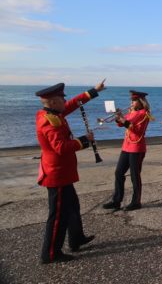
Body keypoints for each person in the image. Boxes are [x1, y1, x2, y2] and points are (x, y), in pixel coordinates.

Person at [36, 80, 105, 264]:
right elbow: (60, 147)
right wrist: (85, 140)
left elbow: (74, 103)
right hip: (56, 174)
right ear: (53, 102)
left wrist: (93, 91)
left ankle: (76, 238)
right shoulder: (49, 121)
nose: (64, 101)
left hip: (63, 172)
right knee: (58, 215)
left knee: (72, 206)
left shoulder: (53, 113)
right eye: (61, 99)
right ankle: (50, 253)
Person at [103, 90, 153, 211]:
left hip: (137, 147)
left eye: (134, 100)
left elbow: (137, 130)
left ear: (141, 101)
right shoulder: (132, 112)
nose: (131, 103)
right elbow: (121, 124)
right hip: (126, 146)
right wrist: (118, 117)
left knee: (134, 176)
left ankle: (136, 202)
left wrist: (123, 119)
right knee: (118, 173)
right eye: (131, 100)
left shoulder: (144, 113)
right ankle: (117, 200)